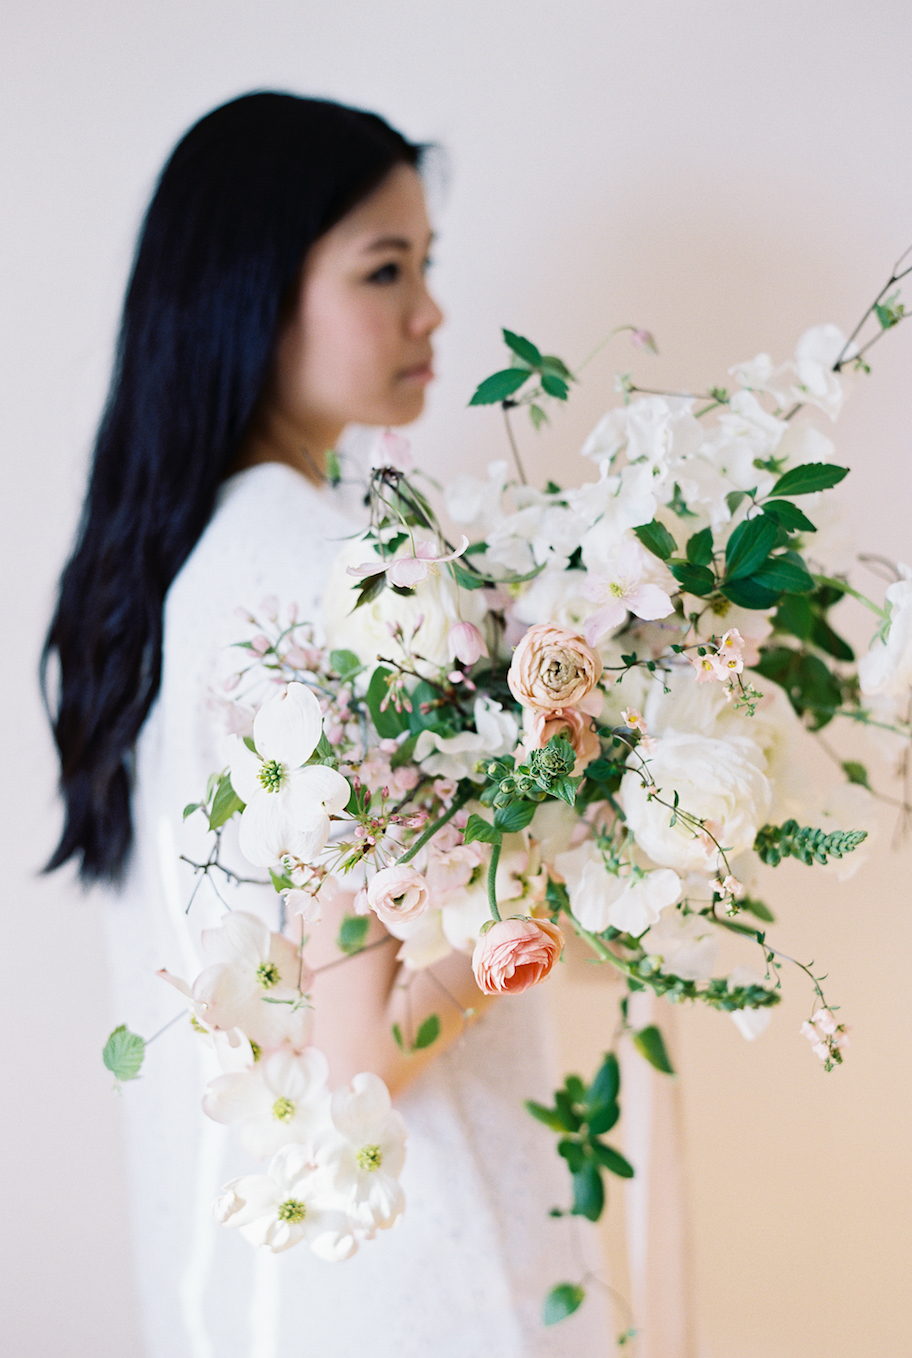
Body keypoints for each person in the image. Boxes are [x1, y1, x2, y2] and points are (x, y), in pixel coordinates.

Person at [43, 91, 613, 1358]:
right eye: (383, 267)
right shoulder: (334, 577)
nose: (431, 311)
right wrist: (549, 902)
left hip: (257, 1278)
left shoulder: (180, 565)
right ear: (252, 289)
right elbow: (360, 1048)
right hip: (426, 1269)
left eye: (427, 262)